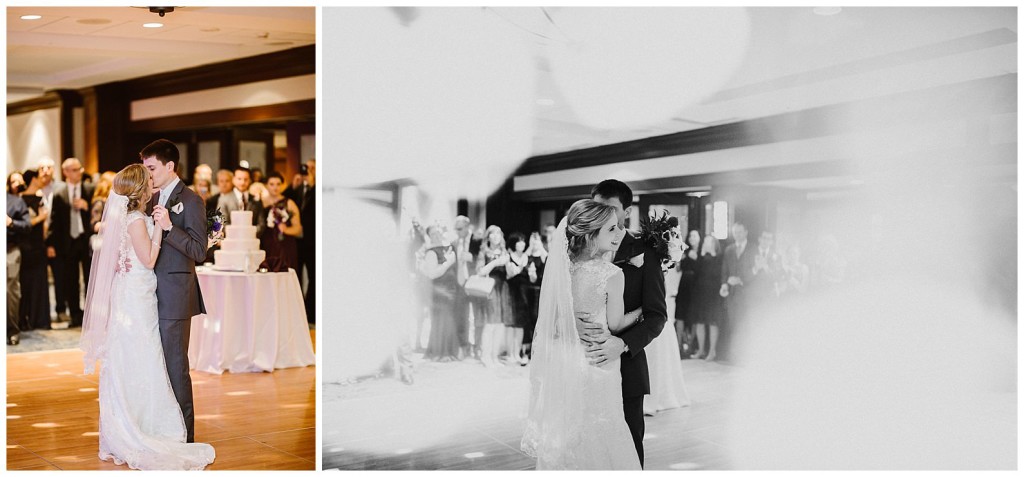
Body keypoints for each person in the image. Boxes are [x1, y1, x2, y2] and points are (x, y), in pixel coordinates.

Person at [79, 163, 215, 470]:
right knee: (143, 356)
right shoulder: (137, 220)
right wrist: (160, 229)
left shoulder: (122, 219)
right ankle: (141, 427)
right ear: (140, 189)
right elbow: (150, 259)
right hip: (138, 298)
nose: (152, 182)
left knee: (129, 357)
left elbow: (117, 261)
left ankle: (124, 425)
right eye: (148, 179)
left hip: (130, 293)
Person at [521, 199, 640, 470]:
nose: (618, 233)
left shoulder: (562, 269)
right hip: (597, 362)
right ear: (591, 234)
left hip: (564, 362)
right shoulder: (612, 274)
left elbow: (550, 316)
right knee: (602, 426)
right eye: (611, 229)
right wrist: (643, 311)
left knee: (566, 429)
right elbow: (617, 323)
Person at [575, 179, 667, 467]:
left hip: (625, 367)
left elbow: (656, 315)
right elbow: (558, 305)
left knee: (626, 446)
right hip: (580, 366)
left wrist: (623, 343)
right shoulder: (575, 253)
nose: (604, 217)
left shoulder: (645, 251)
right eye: (598, 208)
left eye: (611, 209)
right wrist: (575, 325)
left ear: (626, 211)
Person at [141, 139, 209, 443]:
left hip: (175, 297)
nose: (148, 174)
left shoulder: (192, 200)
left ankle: (185, 438)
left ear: (170, 166)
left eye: (152, 168)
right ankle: (163, 430)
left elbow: (199, 250)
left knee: (176, 368)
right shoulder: (150, 196)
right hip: (148, 294)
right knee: (156, 366)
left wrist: (169, 227)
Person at [18, 169, 52, 331]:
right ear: (33, 179)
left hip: (37, 245)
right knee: (25, 283)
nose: (42, 180)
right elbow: (36, 222)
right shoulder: (19, 199)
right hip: (25, 245)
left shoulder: (40, 198)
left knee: (37, 282)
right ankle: (27, 318)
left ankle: (37, 319)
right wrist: (40, 219)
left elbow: (45, 226)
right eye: (39, 177)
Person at [476, 225, 513, 367]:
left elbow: (509, 274)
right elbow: (480, 271)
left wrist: (510, 265)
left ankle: (494, 356)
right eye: (493, 233)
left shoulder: (504, 252)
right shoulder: (484, 252)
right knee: (490, 324)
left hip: (503, 289)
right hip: (490, 289)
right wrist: (496, 262)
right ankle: (485, 356)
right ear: (488, 237)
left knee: (500, 325)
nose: (496, 236)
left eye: (499, 233)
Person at [421, 225, 460, 361]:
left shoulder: (449, 248)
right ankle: (440, 352)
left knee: (449, 319)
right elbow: (432, 274)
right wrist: (448, 263)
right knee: (442, 320)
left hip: (451, 289)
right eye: (432, 233)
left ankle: (447, 352)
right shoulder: (431, 252)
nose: (436, 234)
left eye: (438, 231)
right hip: (439, 290)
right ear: (429, 236)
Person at [258, 172, 302, 272]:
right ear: (266, 185)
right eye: (272, 184)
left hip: (284, 247)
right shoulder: (260, 202)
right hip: (265, 245)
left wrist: (286, 229)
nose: (275, 187)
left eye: (278, 184)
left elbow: (298, 228)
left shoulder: (289, 203)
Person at [7, 174, 31, 345]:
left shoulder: (16, 201)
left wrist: (10, 223)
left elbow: (27, 225)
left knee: (10, 291)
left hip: (10, 249)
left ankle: (12, 330)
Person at [692, 235, 724, 361]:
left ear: (714, 243)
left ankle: (712, 351)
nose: (705, 242)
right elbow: (695, 273)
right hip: (701, 293)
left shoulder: (719, 257)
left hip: (713, 294)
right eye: (704, 241)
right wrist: (701, 256)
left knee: (712, 322)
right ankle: (700, 350)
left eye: (708, 241)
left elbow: (718, 274)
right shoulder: (701, 257)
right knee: (700, 321)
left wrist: (712, 255)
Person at [504, 232, 531, 365]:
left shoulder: (527, 257)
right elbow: (510, 274)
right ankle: (510, 354)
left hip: (523, 294)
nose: (522, 244)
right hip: (511, 292)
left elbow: (532, 278)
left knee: (520, 325)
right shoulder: (508, 257)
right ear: (513, 243)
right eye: (519, 241)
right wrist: (521, 266)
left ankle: (517, 353)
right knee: (510, 325)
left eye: (523, 241)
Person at [675, 229, 701, 356]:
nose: (692, 237)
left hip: (696, 287)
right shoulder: (684, 251)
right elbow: (678, 269)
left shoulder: (702, 253)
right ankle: (679, 346)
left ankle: (691, 346)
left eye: (695, 235)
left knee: (693, 316)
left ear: (699, 237)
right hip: (684, 285)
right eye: (690, 235)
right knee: (680, 314)